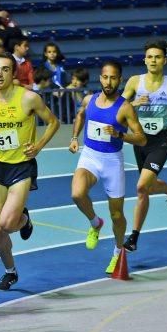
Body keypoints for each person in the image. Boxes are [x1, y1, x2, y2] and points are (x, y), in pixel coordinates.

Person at [0, 53, 60, 290]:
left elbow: (53, 122)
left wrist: (39, 146)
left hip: (22, 167)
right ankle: (10, 271)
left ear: (14, 74)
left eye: (5, 70)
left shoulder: (29, 99)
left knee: (6, 223)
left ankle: (23, 219)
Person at [68, 61, 147, 274]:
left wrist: (120, 134)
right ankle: (95, 223)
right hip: (90, 156)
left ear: (119, 80)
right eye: (105, 77)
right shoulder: (89, 99)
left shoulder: (125, 108)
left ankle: (117, 251)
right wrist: (75, 137)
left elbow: (142, 139)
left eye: (113, 78)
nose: (108, 82)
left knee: (117, 215)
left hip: (112, 161)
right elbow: (81, 115)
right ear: (100, 78)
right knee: (77, 193)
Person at [120, 41, 167, 252]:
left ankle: (133, 237)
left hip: (160, 141)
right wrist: (134, 104)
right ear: (145, 60)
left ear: (164, 60)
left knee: (142, 187)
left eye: (157, 57)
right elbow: (119, 107)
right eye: (150, 57)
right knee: (149, 186)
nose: (153, 60)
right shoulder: (135, 82)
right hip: (139, 141)